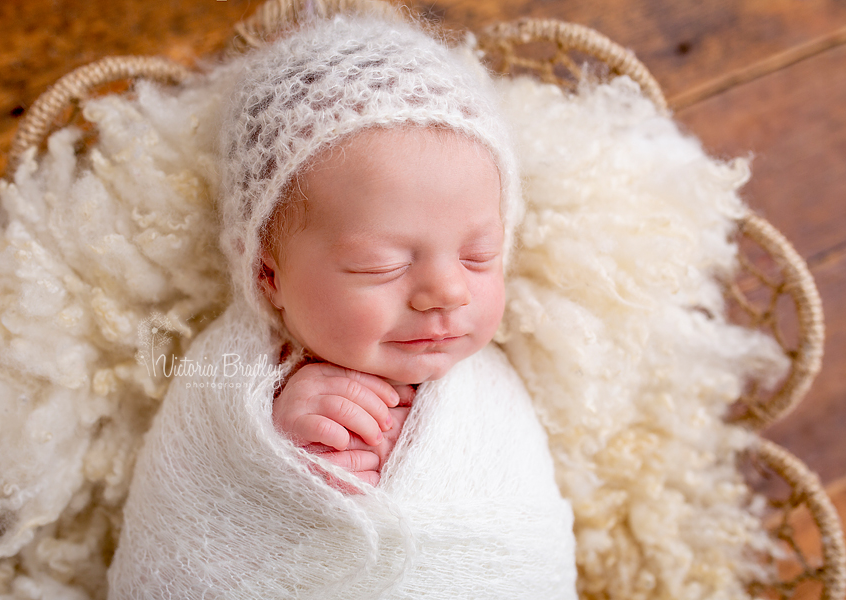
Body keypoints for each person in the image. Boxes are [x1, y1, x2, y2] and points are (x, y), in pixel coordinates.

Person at [108, 13, 577, 599]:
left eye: (479, 257)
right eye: (380, 266)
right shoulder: (231, 378)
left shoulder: (491, 388)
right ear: (268, 274)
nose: (448, 292)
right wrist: (278, 450)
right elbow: (195, 505)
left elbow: (521, 532)